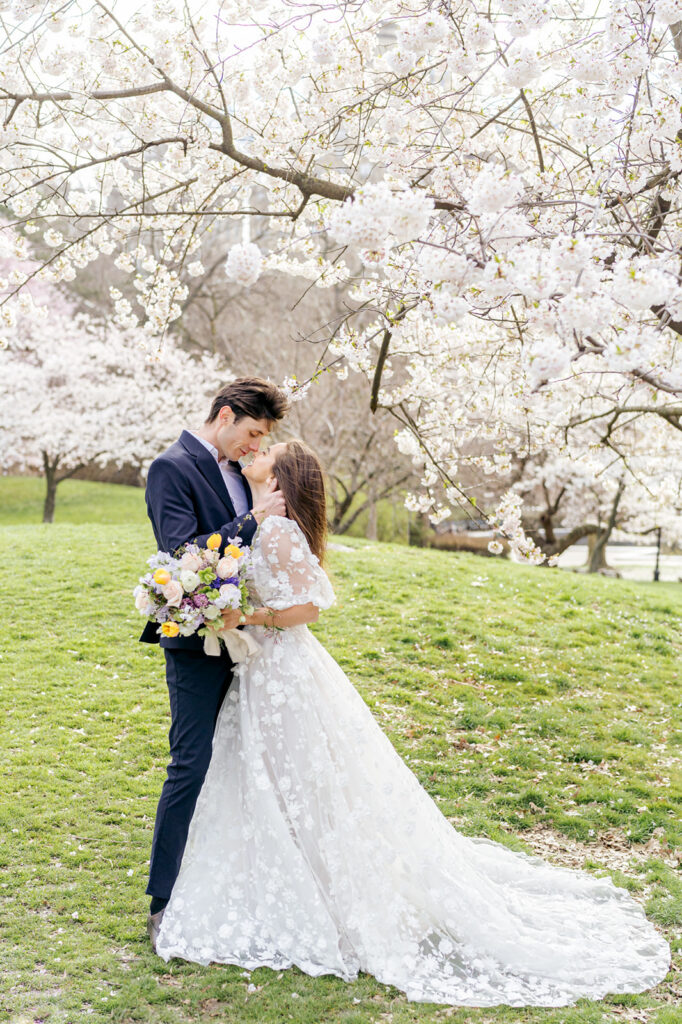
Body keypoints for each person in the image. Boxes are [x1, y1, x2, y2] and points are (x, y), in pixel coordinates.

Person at [154, 439, 670, 1007]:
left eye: (268, 450)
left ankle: (322, 891)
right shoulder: (263, 525)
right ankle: (292, 879)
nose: (256, 451)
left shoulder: (277, 531)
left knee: (299, 780)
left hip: (282, 671)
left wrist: (249, 614)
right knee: (282, 781)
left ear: (280, 477)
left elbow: (313, 603)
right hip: (263, 672)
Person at [141, 377, 290, 951]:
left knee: (250, 762)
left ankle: (239, 888)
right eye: (251, 432)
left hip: (256, 643)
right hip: (196, 643)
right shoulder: (171, 468)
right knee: (192, 763)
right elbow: (182, 554)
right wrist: (251, 519)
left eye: (262, 438)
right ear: (224, 415)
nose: (254, 446)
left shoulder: (247, 472)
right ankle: (163, 901)